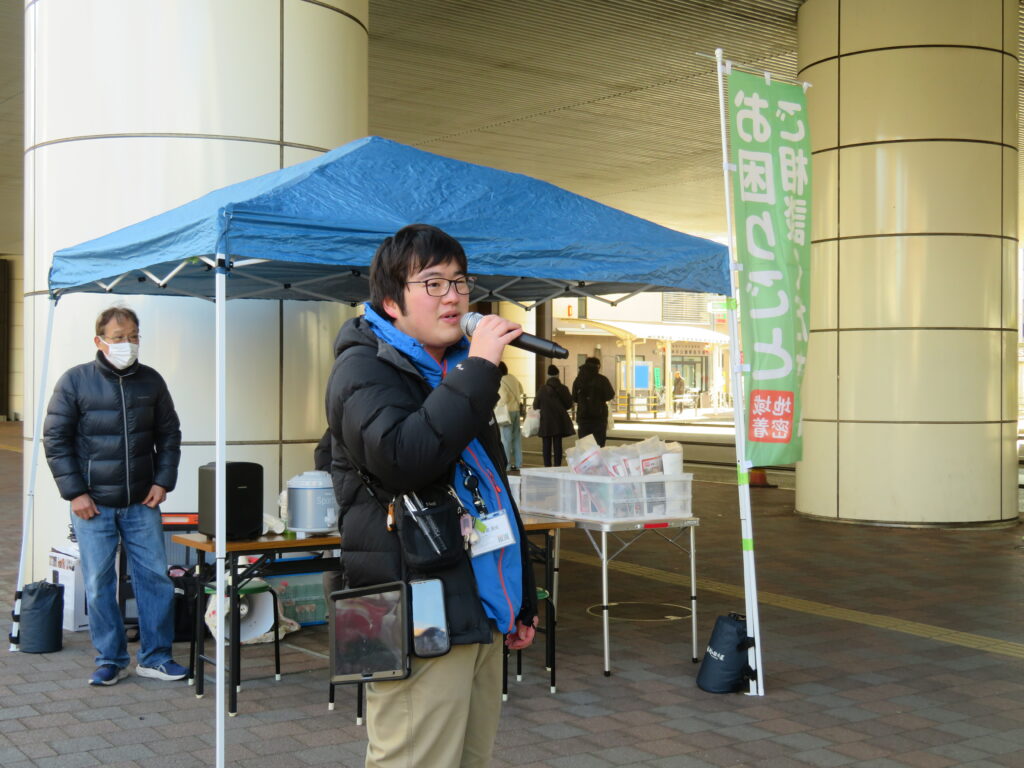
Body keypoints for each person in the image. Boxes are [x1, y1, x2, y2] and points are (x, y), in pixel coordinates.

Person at [325, 223, 537, 768]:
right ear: (391, 302)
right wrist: (479, 367)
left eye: (460, 282)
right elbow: (404, 459)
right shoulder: (363, 368)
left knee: (469, 758)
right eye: (434, 283)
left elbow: (489, 487)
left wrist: (522, 600)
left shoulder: (456, 368)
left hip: (478, 606)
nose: (454, 297)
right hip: (418, 609)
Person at [43, 306, 185, 686]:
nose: (128, 344)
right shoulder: (75, 381)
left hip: (141, 502)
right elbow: (55, 440)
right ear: (100, 341)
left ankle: (156, 657)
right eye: (119, 337)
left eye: (134, 336)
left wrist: (162, 482)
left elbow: (169, 435)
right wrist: (75, 493)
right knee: (98, 584)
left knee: (155, 579)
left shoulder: (151, 381)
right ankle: (111, 659)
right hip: (93, 506)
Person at [534, 364, 574, 467]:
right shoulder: (563, 388)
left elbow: (535, 405)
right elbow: (569, 404)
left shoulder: (542, 389)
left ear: (547, 375)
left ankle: (547, 467)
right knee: (558, 444)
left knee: (546, 445)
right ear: (558, 375)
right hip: (559, 420)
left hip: (546, 420)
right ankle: (557, 466)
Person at [571, 356, 615, 446]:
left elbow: (574, 398)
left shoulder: (578, 380)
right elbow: (610, 395)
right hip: (599, 418)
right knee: (599, 445)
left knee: (585, 446)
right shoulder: (602, 379)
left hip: (583, 417)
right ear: (598, 366)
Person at [496, 361, 524, 471]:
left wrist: (498, 406)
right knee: (516, 439)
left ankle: (506, 465)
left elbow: (503, 398)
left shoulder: (501, 381)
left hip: (507, 414)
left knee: (506, 440)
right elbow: (521, 390)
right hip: (516, 411)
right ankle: (518, 463)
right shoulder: (513, 378)